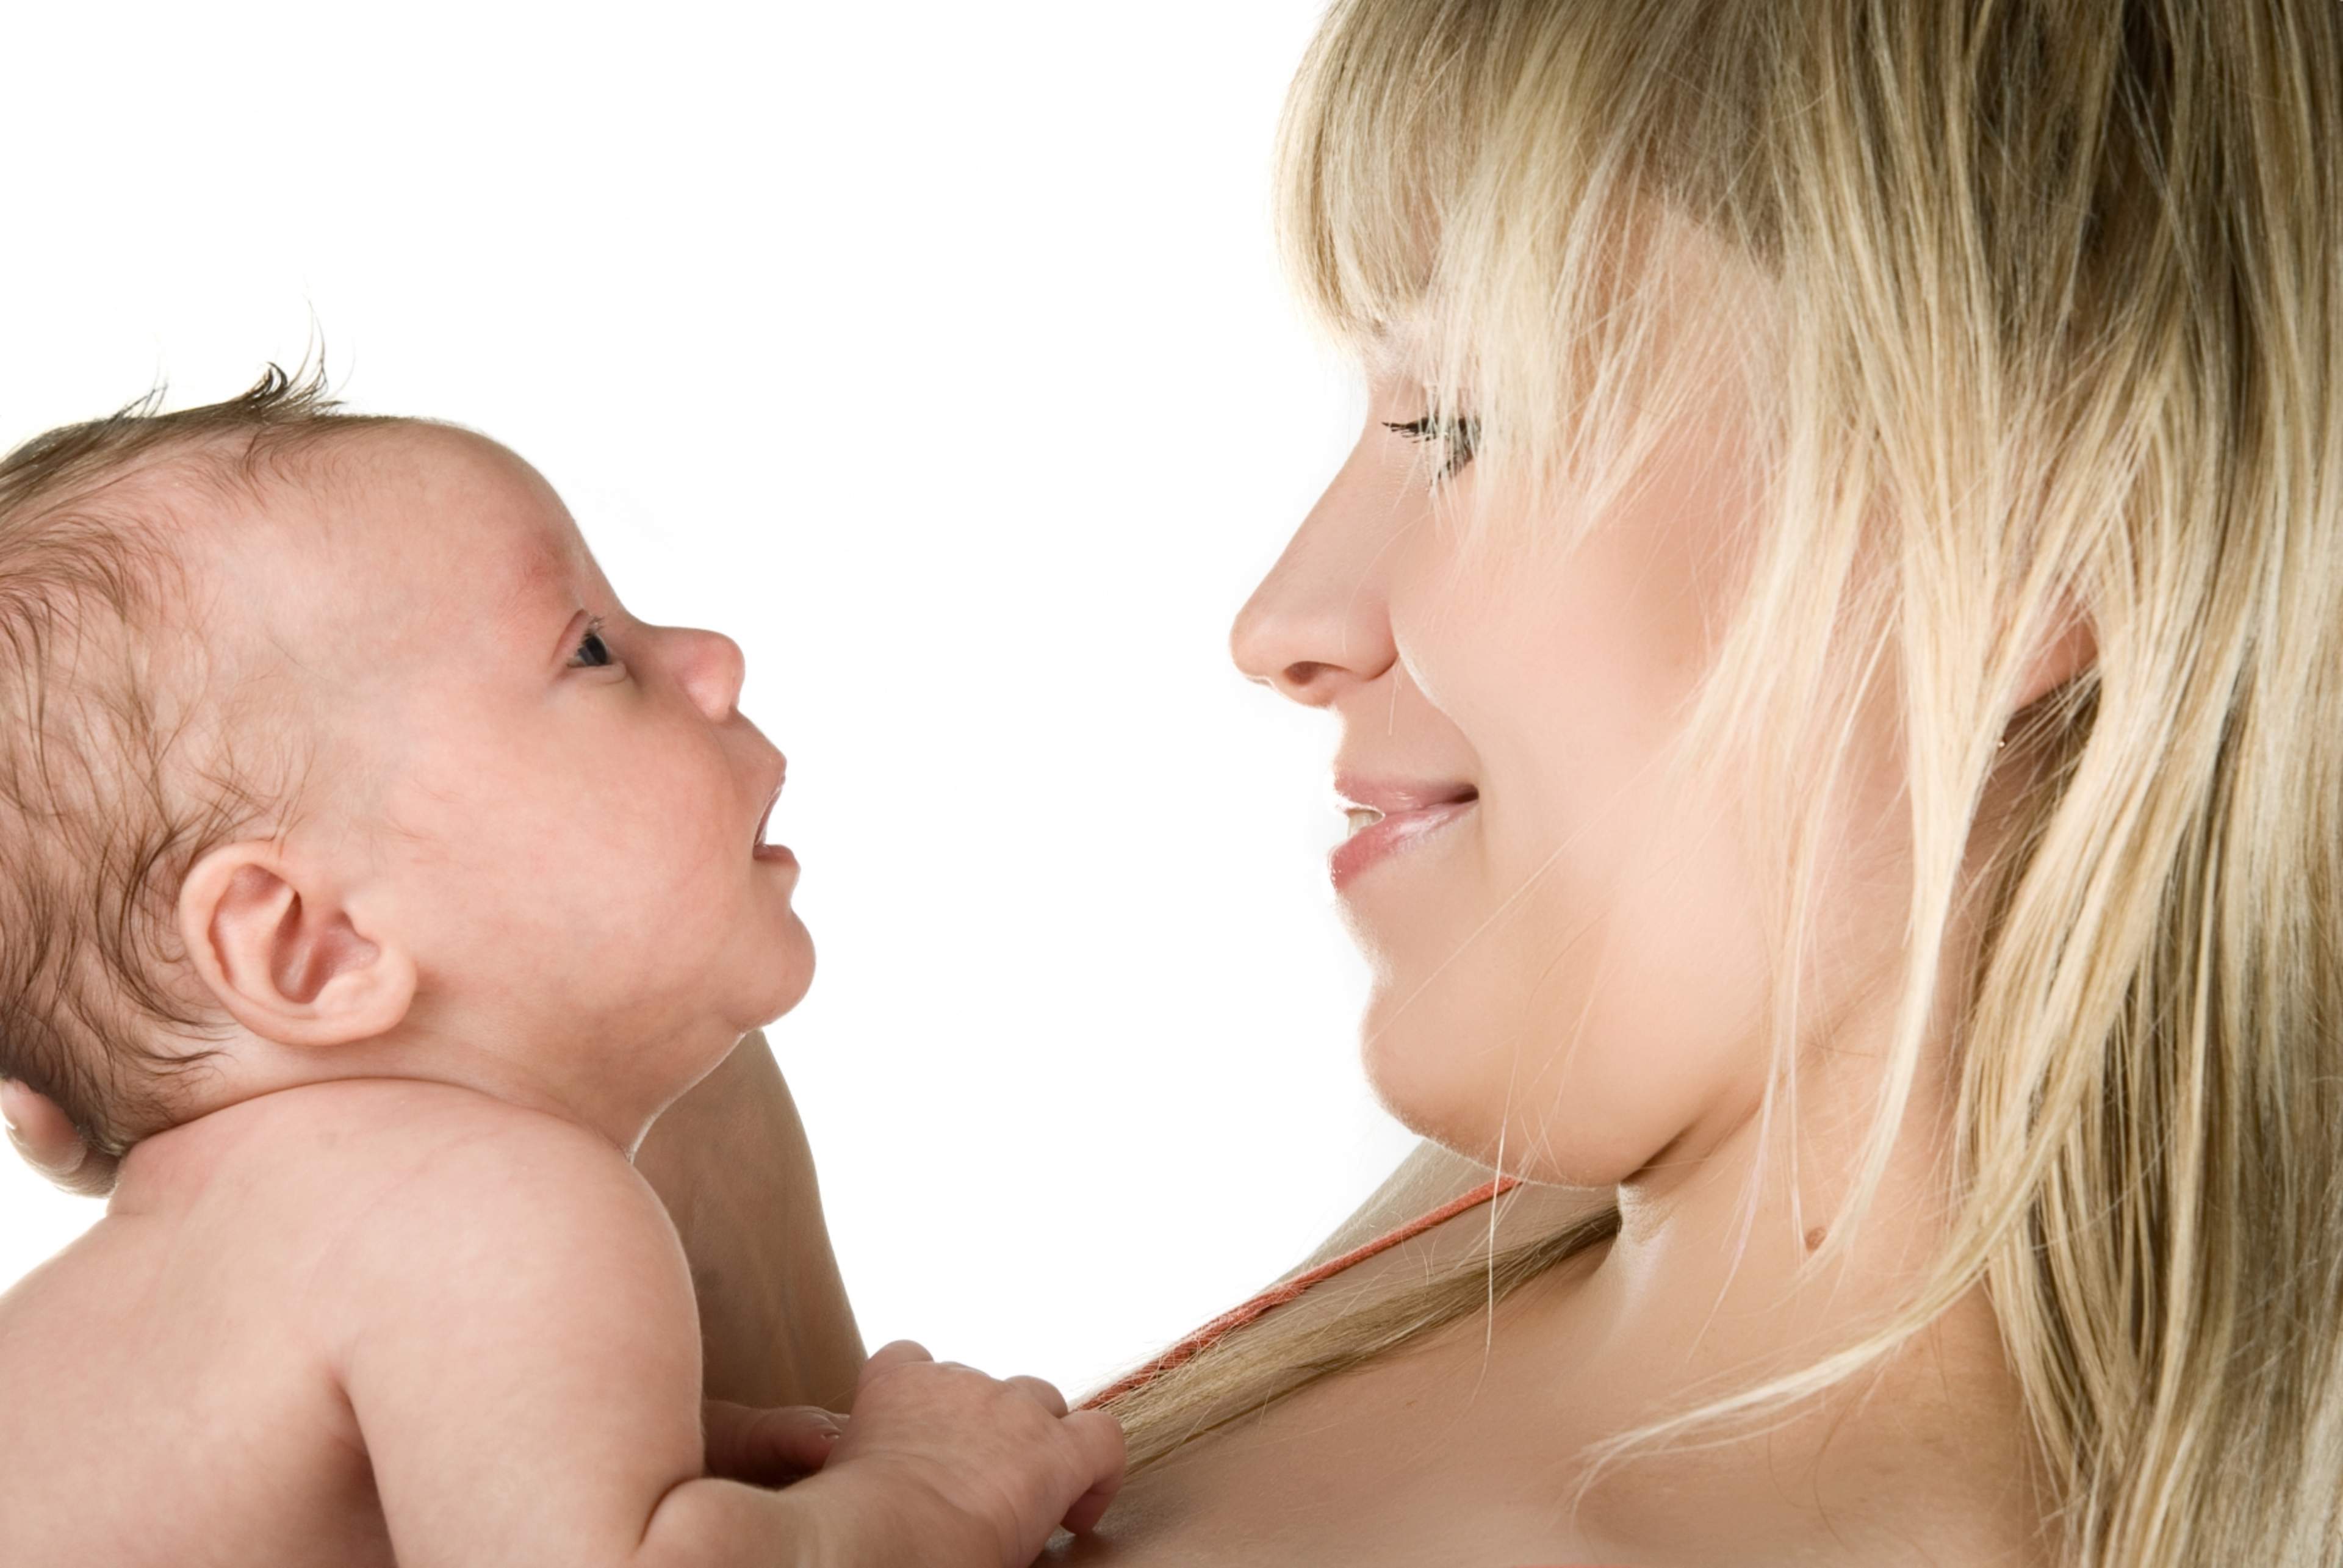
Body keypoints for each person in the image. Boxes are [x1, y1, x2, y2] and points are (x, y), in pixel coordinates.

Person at [15, 0, 2343, 1561]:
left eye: (1460, 421)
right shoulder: (1482, 1248)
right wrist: (549, 1110)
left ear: (2044, 533)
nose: (1285, 617)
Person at [0, 383, 1125, 1567]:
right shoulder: (486, 1198)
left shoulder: (121, 1320)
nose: (717, 661)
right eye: (590, 649)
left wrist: (678, 1449)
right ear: (311, 945)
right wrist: (936, 1491)